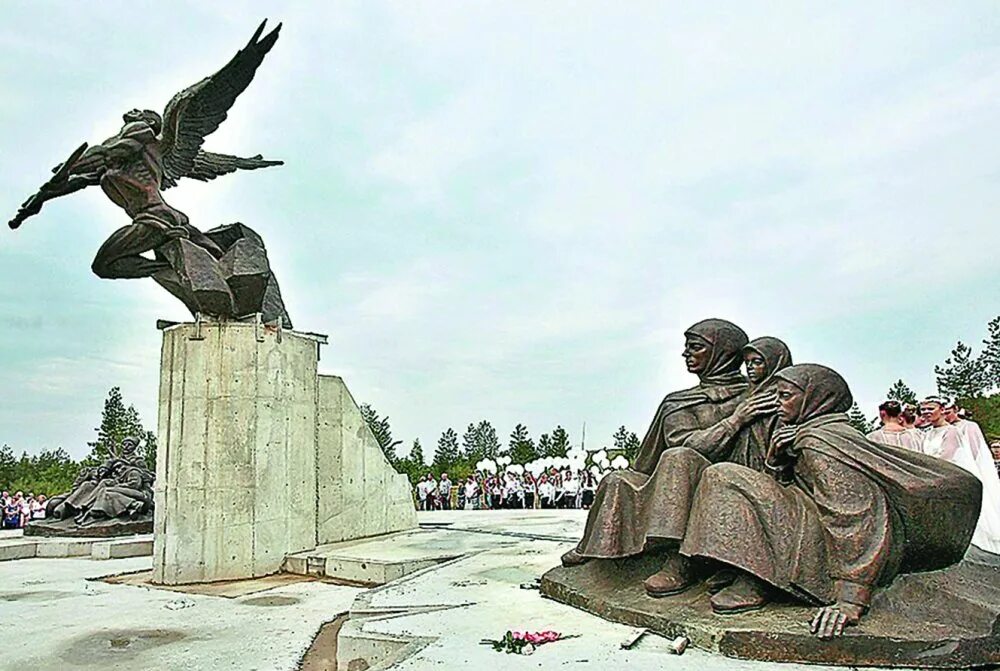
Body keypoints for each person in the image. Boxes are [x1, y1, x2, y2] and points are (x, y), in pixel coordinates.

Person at [678, 365, 980, 637]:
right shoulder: (811, 431)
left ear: (815, 399)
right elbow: (796, 486)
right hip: (812, 522)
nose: (778, 404)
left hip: (830, 549)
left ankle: (764, 579)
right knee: (727, 476)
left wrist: (851, 598)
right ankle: (749, 572)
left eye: (785, 396)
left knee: (723, 477)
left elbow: (856, 515)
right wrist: (776, 460)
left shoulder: (822, 442)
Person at [562, 321, 785, 599]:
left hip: (719, 485)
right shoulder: (678, 401)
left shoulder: (754, 397)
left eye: (696, 347)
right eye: (686, 347)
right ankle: (594, 546)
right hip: (672, 482)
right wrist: (734, 421)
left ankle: (683, 560)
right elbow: (652, 459)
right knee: (617, 479)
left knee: (681, 458)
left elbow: (695, 449)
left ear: (722, 353)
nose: (686, 354)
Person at [920, 397, 1000, 554]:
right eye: (923, 410)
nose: (926, 413)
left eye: (930, 409)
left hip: (947, 478)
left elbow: (947, 457)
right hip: (932, 479)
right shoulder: (927, 433)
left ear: (942, 410)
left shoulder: (952, 431)